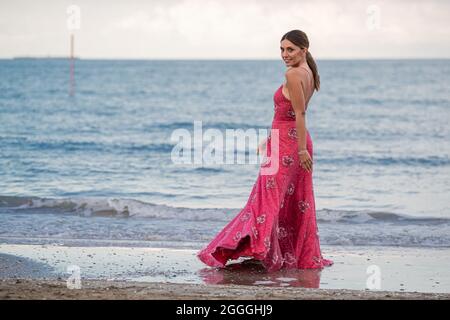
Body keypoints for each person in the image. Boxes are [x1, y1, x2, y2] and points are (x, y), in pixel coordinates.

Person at [197, 30, 333, 272]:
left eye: (290, 49)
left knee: (266, 200)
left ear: (304, 49)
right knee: (289, 200)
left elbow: (300, 114)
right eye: (281, 49)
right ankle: (273, 252)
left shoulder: (293, 74)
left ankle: (262, 251)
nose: (284, 54)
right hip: (288, 142)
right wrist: (272, 139)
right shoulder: (309, 72)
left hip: (291, 145)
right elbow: (289, 114)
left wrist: (301, 150)